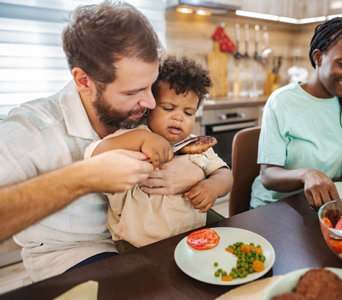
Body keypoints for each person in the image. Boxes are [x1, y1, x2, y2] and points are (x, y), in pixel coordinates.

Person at [0, 1, 205, 282]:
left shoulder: (142, 111)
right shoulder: (31, 132)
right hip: (79, 257)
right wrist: (82, 177)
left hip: (152, 239)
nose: (151, 101)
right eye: (134, 91)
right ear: (84, 81)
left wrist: (195, 171)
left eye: (151, 85)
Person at [84, 55, 233, 252]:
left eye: (188, 113)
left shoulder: (197, 146)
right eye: (168, 108)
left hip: (192, 236)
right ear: (149, 107)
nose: (179, 117)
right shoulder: (133, 138)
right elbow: (94, 155)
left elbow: (225, 174)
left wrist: (213, 186)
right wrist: (142, 139)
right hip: (136, 242)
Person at [251, 17, 342, 210]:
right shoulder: (282, 101)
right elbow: (268, 176)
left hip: (325, 205)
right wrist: (306, 174)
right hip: (277, 207)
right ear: (318, 57)